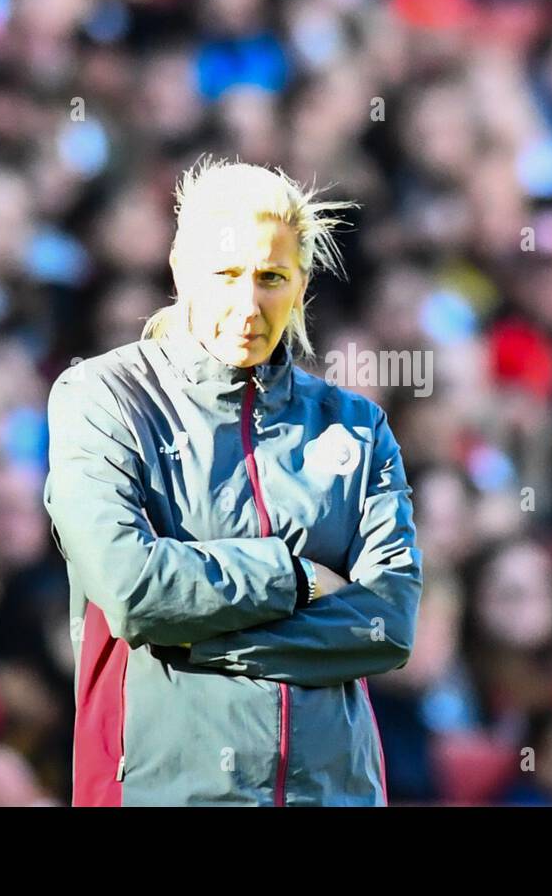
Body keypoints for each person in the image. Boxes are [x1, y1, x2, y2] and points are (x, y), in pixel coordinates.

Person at [43, 158, 423, 805]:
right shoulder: (101, 398)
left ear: (301, 285)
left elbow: (386, 624)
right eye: (226, 275)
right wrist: (293, 578)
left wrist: (195, 638)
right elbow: (133, 591)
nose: (248, 305)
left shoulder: (356, 426)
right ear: (180, 270)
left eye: (272, 278)